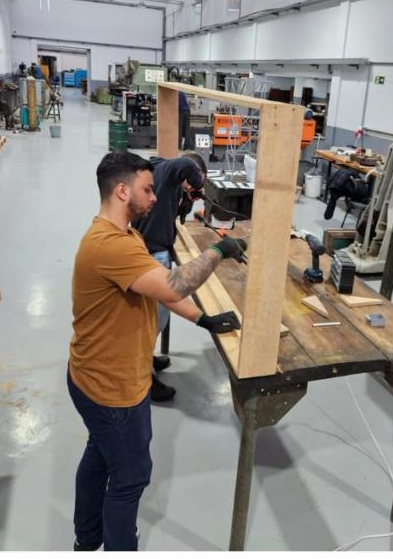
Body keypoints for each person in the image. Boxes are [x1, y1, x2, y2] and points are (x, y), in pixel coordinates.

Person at [69, 151, 243, 551]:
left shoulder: (126, 234)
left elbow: (157, 289)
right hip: (112, 386)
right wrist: (218, 251)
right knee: (130, 477)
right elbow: (173, 286)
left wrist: (203, 320)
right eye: (148, 189)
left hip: (94, 374)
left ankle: (87, 540)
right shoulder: (112, 245)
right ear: (122, 190)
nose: (154, 197)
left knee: (99, 454)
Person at [131, 152, 208, 402]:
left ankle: (148, 362)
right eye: (195, 180)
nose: (194, 186)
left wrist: (186, 196)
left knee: (154, 321)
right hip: (153, 255)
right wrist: (197, 182)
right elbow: (185, 164)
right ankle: (145, 379)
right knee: (153, 321)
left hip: (151, 250)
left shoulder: (166, 180)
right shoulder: (170, 170)